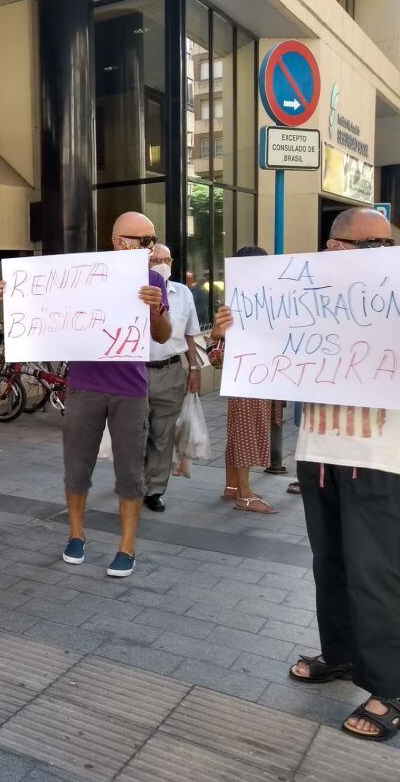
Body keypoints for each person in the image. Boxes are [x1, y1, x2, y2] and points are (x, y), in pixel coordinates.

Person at [213, 209, 400, 742]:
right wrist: (236, 329)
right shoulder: (304, 293)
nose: (379, 254)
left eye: (385, 244)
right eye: (366, 245)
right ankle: (341, 655)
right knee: (331, 562)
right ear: (334, 247)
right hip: (319, 449)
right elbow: (264, 358)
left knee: (377, 572)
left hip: (382, 453)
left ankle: (390, 686)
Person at [0, 212, 171, 577]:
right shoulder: (83, 275)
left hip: (131, 391)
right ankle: (76, 535)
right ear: (121, 241)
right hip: (85, 387)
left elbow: (163, 335)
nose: (152, 248)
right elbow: (40, 305)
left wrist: (155, 308)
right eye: (146, 240)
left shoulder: (153, 279)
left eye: (153, 241)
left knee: (130, 473)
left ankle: (127, 546)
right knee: (76, 468)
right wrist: (11, 294)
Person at [215, 246, 275, 514]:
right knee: (247, 433)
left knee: (241, 431)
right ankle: (246, 495)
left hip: (248, 375)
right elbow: (219, 336)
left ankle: (233, 487)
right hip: (248, 375)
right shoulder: (244, 301)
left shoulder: (243, 298)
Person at [143, 244, 202, 512]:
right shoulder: (134, 292)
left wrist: (194, 369)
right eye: (155, 260)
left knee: (162, 434)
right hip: (135, 372)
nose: (161, 264)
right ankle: (132, 482)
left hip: (170, 372)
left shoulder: (183, 293)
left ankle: (154, 489)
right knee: (133, 433)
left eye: (166, 259)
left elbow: (190, 334)